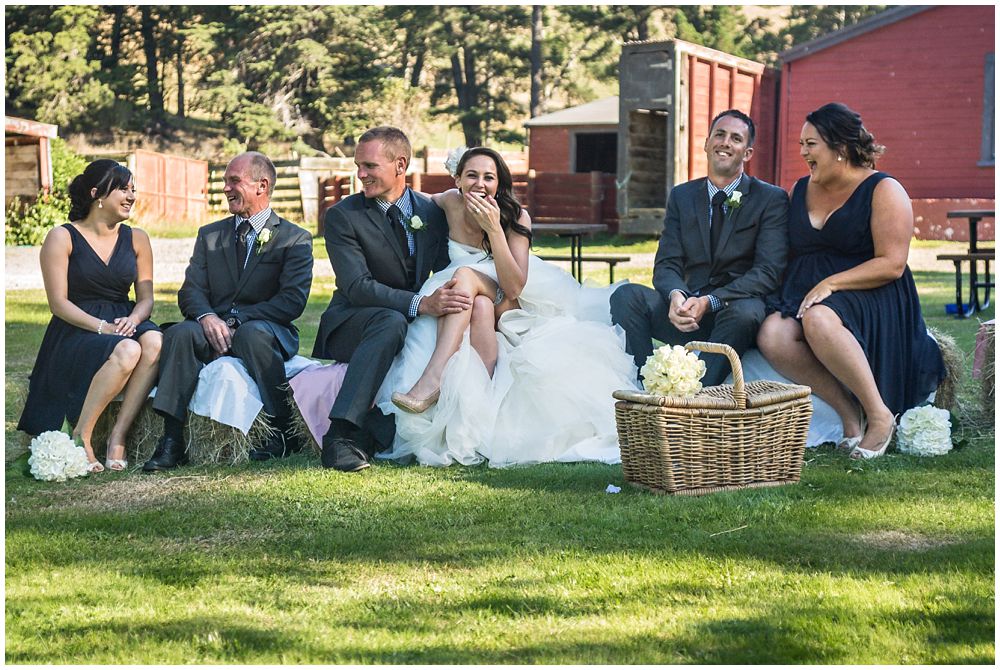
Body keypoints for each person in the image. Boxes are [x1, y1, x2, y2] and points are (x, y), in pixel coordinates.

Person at [375, 147, 638, 468]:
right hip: (475, 298)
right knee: (478, 305)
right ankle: (479, 411)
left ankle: (432, 378)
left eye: (489, 177)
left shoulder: (516, 216)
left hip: (512, 293)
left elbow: (515, 285)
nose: (480, 183)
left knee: (465, 279)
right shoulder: (449, 202)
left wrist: (495, 228)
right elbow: (407, 197)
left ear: (499, 184)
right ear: (457, 179)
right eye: (471, 175)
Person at [757, 102, 945, 460]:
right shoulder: (799, 190)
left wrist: (833, 284)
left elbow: (892, 264)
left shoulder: (884, 189)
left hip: (871, 290)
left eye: (811, 144)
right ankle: (850, 415)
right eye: (801, 144)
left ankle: (879, 415)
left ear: (839, 148)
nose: (803, 153)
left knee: (819, 318)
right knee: (772, 334)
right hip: (807, 290)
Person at [143, 151, 313, 471]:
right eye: (225, 181)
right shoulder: (209, 235)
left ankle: (280, 430)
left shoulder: (295, 238)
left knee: (251, 334)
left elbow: (292, 301)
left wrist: (237, 320)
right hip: (211, 325)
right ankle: (172, 439)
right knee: (180, 333)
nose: (225, 188)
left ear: (262, 186)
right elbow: (191, 291)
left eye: (234, 181)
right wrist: (208, 317)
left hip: (263, 329)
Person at [610, 109, 789, 388]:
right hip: (687, 314)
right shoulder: (682, 196)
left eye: (736, 138)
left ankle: (698, 396)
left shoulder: (770, 199)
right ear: (706, 143)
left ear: (748, 153)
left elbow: (768, 271)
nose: (725, 142)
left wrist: (710, 301)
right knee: (626, 296)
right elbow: (667, 263)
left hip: (733, 312)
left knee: (746, 313)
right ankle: (648, 386)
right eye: (719, 134)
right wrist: (675, 296)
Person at [312, 126, 454, 472]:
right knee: (390, 321)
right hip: (353, 321)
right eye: (358, 166)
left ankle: (378, 432)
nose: (361, 174)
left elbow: (447, 268)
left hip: (413, 321)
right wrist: (421, 305)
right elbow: (357, 286)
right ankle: (340, 437)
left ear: (400, 164)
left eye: (370, 166)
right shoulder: (342, 216)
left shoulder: (432, 212)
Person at [18, 159, 161, 472]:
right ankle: (84, 434)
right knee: (129, 349)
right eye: (123, 188)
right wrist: (102, 328)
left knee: (155, 341)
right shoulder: (62, 237)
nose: (131, 196)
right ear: (98, 194)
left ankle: (118, 436)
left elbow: (146, 298)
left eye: (133, 189)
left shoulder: (138, 239)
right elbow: (58, 303)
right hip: (78, 327)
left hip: (125, 317)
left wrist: (134, 320)